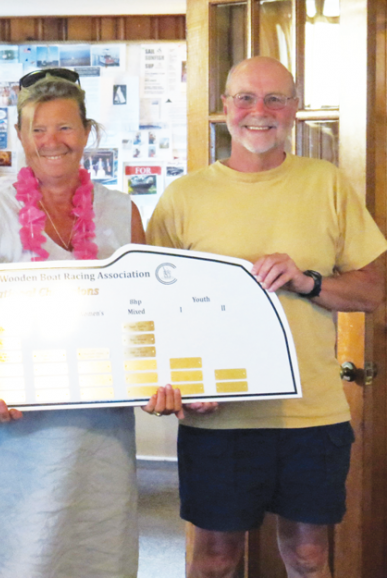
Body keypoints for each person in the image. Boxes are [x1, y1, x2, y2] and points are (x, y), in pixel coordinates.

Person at [146, 56, 387, 578]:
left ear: (294, 110)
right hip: (218, 416)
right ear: (226, 108)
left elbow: (372, 290)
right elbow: (152, 311)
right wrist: (176, 383)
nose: (260, 111)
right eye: (246, 98)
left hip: (312, 415)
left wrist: (309, 281)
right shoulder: (184, 197)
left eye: (275, 98)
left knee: (308, 557)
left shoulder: (328, 184)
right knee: (212, 561)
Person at [0, 68, 182, 578]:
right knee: (15, 555)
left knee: (96, 552)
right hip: (14, 433)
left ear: (88, 132)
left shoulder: (122, 211)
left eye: (66, 127)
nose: (52, 141)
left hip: (102, 431)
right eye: (38, 129)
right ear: (22, 139)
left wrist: (160, 380)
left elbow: (144, 313)